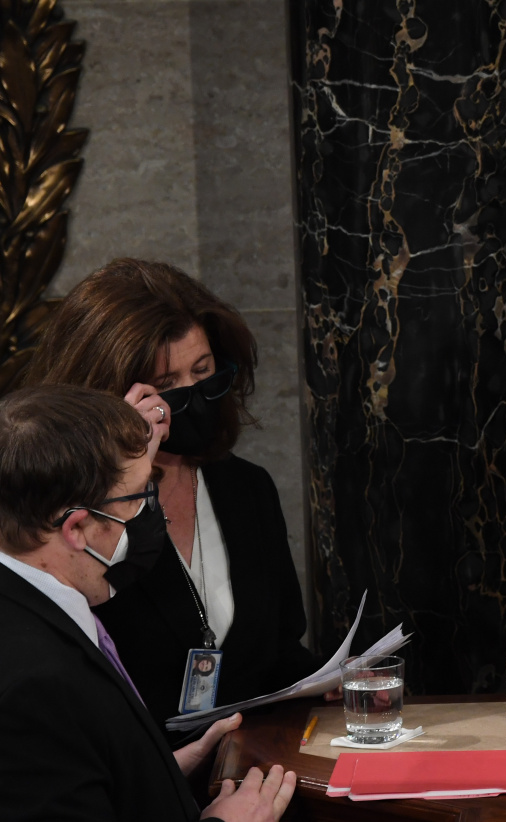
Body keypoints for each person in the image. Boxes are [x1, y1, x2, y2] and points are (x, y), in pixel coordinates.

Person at [25, 258, 319, 732]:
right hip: (138, 768)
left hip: (251, 760)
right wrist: (119, 458)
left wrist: (334, 680)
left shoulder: (247, 488)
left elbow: (279, 652)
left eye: (203, 371)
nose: (193, 395)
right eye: (166, 388)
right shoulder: (74, 520)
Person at [0, 384, 295, 820]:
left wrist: (158, 773)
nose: (151, 513)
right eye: (138, 497)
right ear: (76, 528)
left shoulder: (40, 607)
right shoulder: (31, 686)